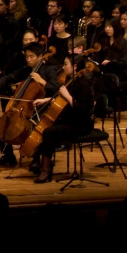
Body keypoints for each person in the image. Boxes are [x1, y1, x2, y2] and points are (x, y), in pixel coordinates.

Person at [0, 41, 59, 167]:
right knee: (4, 123)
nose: (28, 60)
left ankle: (37, 158)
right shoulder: (26, 70)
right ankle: (8, 156)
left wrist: (42, 81)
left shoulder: (49, 70)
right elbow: (8, 77)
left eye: (31, 57)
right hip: (25, 108)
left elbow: (56, 89)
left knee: (37, 128)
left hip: (43, 106)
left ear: (41, 56)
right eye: (27, 57)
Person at [32, 55, 94, 183]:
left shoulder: (83, 85)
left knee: (48, 132)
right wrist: (45, 100)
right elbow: (61, 101)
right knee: (46, 127)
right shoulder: (71, 81)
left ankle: (45, 169)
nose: (63, 67)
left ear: (75, 67)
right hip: (70, 120)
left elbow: (82, 110)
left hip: (81, 125)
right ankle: (41, 163)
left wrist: (67, 96)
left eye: (66, 64)